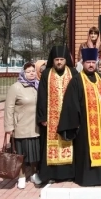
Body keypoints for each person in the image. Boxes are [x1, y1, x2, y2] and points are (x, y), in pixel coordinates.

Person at [57, 48, 101, 186]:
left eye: (93, 62)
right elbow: (70, 104)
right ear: (83, 63)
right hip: (85, 125)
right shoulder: (77, 80)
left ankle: (100, 177)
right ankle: (85, 178)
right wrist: (76, 124)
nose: (91, 65)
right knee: (85, 152)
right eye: (88, 62)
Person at [36, 45, 78, 184]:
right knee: (51, 146)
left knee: (70, 143)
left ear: (66, 60)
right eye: (56, 59)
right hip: (50, 119)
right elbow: (41, 96)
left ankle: (70, 173)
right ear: (52, 60)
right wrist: (42, 117)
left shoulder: (73, 72)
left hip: (69, 117)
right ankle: (51, 175)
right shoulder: (47, 74)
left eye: (61, 59)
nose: (59, 62)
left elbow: (78, 95)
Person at [4, 62, 41, 189]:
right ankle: (21, 176)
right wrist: (9, 127)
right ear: (23, 73)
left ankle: (34, 174)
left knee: (35, 152)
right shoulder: (16, 87)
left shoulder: (37, 85)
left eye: (33, 71)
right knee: (21, 154)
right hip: (21, 127)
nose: (31, 73)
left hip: (36, 127)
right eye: (28, 71)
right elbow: (9, 108)